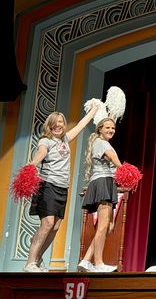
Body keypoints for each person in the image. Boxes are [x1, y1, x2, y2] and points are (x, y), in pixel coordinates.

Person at [24, 103, 99, 272]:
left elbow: (80, 126)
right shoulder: (46, 140)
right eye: (55, 123)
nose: (59, 125)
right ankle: (29, 262)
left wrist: (93, 111)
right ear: (50, 125)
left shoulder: (65, 139)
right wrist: (32, 164)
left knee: (56, 226)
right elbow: (41, 152)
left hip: (62, 188)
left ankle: (37, 259)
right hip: (47, 185)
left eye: (61, 123)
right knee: (47, 223)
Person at [78, 118, 123, 272]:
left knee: (107, 226)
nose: (111, 130)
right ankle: (98, 263)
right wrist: (125, 170)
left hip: (107, 182)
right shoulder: (102, 143)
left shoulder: (102, 142)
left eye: (113, 128)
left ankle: (85, 261)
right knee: (104, 225)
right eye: (108, 127)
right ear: (100, 129)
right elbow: (113, 158)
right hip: (103, 182)